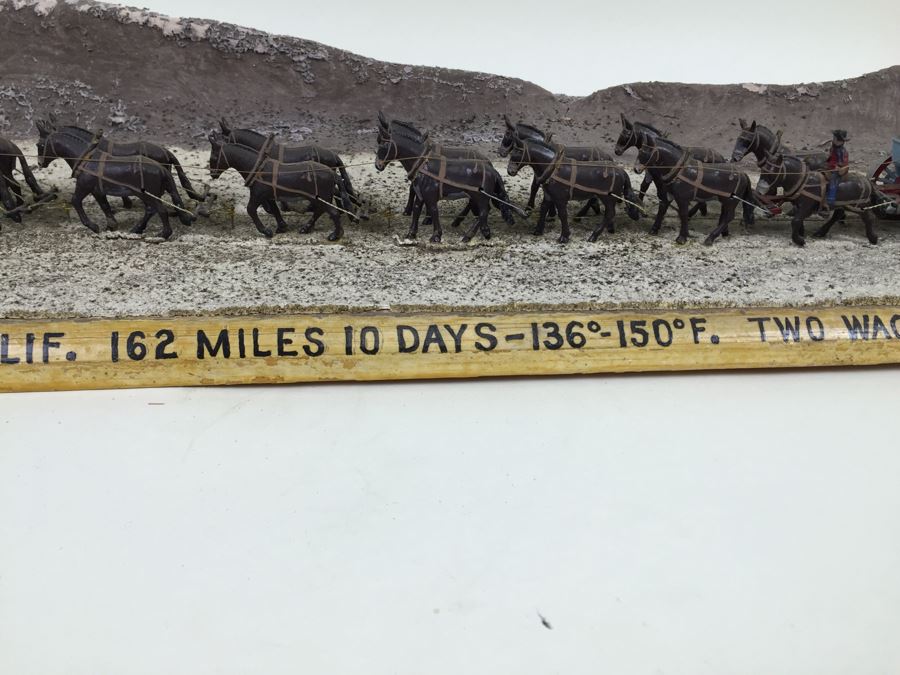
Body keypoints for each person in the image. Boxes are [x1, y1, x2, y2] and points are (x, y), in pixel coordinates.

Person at [822, 129, 849, 212]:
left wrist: (835, 166)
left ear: (840, 141)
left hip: (839, 169)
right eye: (834, 138)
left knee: (833, 180)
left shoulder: (842, 151)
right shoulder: (833, 148)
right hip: (831, 166)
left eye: (835, 138)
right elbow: (830, 158)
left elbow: (842, 163)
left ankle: (831, 200)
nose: (833, 140)